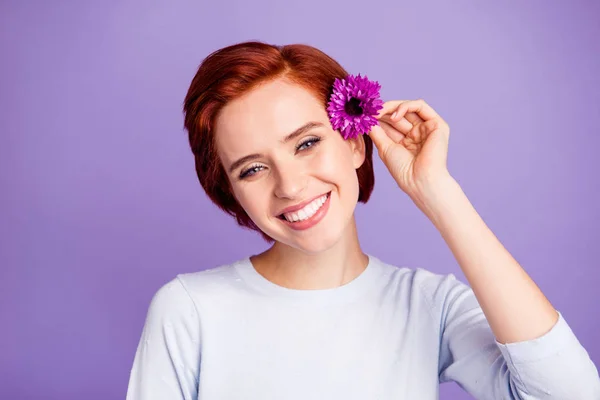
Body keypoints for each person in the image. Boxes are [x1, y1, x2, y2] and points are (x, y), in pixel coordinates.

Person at [126, 41, 600, 399]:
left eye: (307, 143)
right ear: (230, 191)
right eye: (252, 168)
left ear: (355, 141)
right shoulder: (189, 309)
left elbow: (570, 392)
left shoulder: (429, 305)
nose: (289, 185)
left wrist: (436, 191)